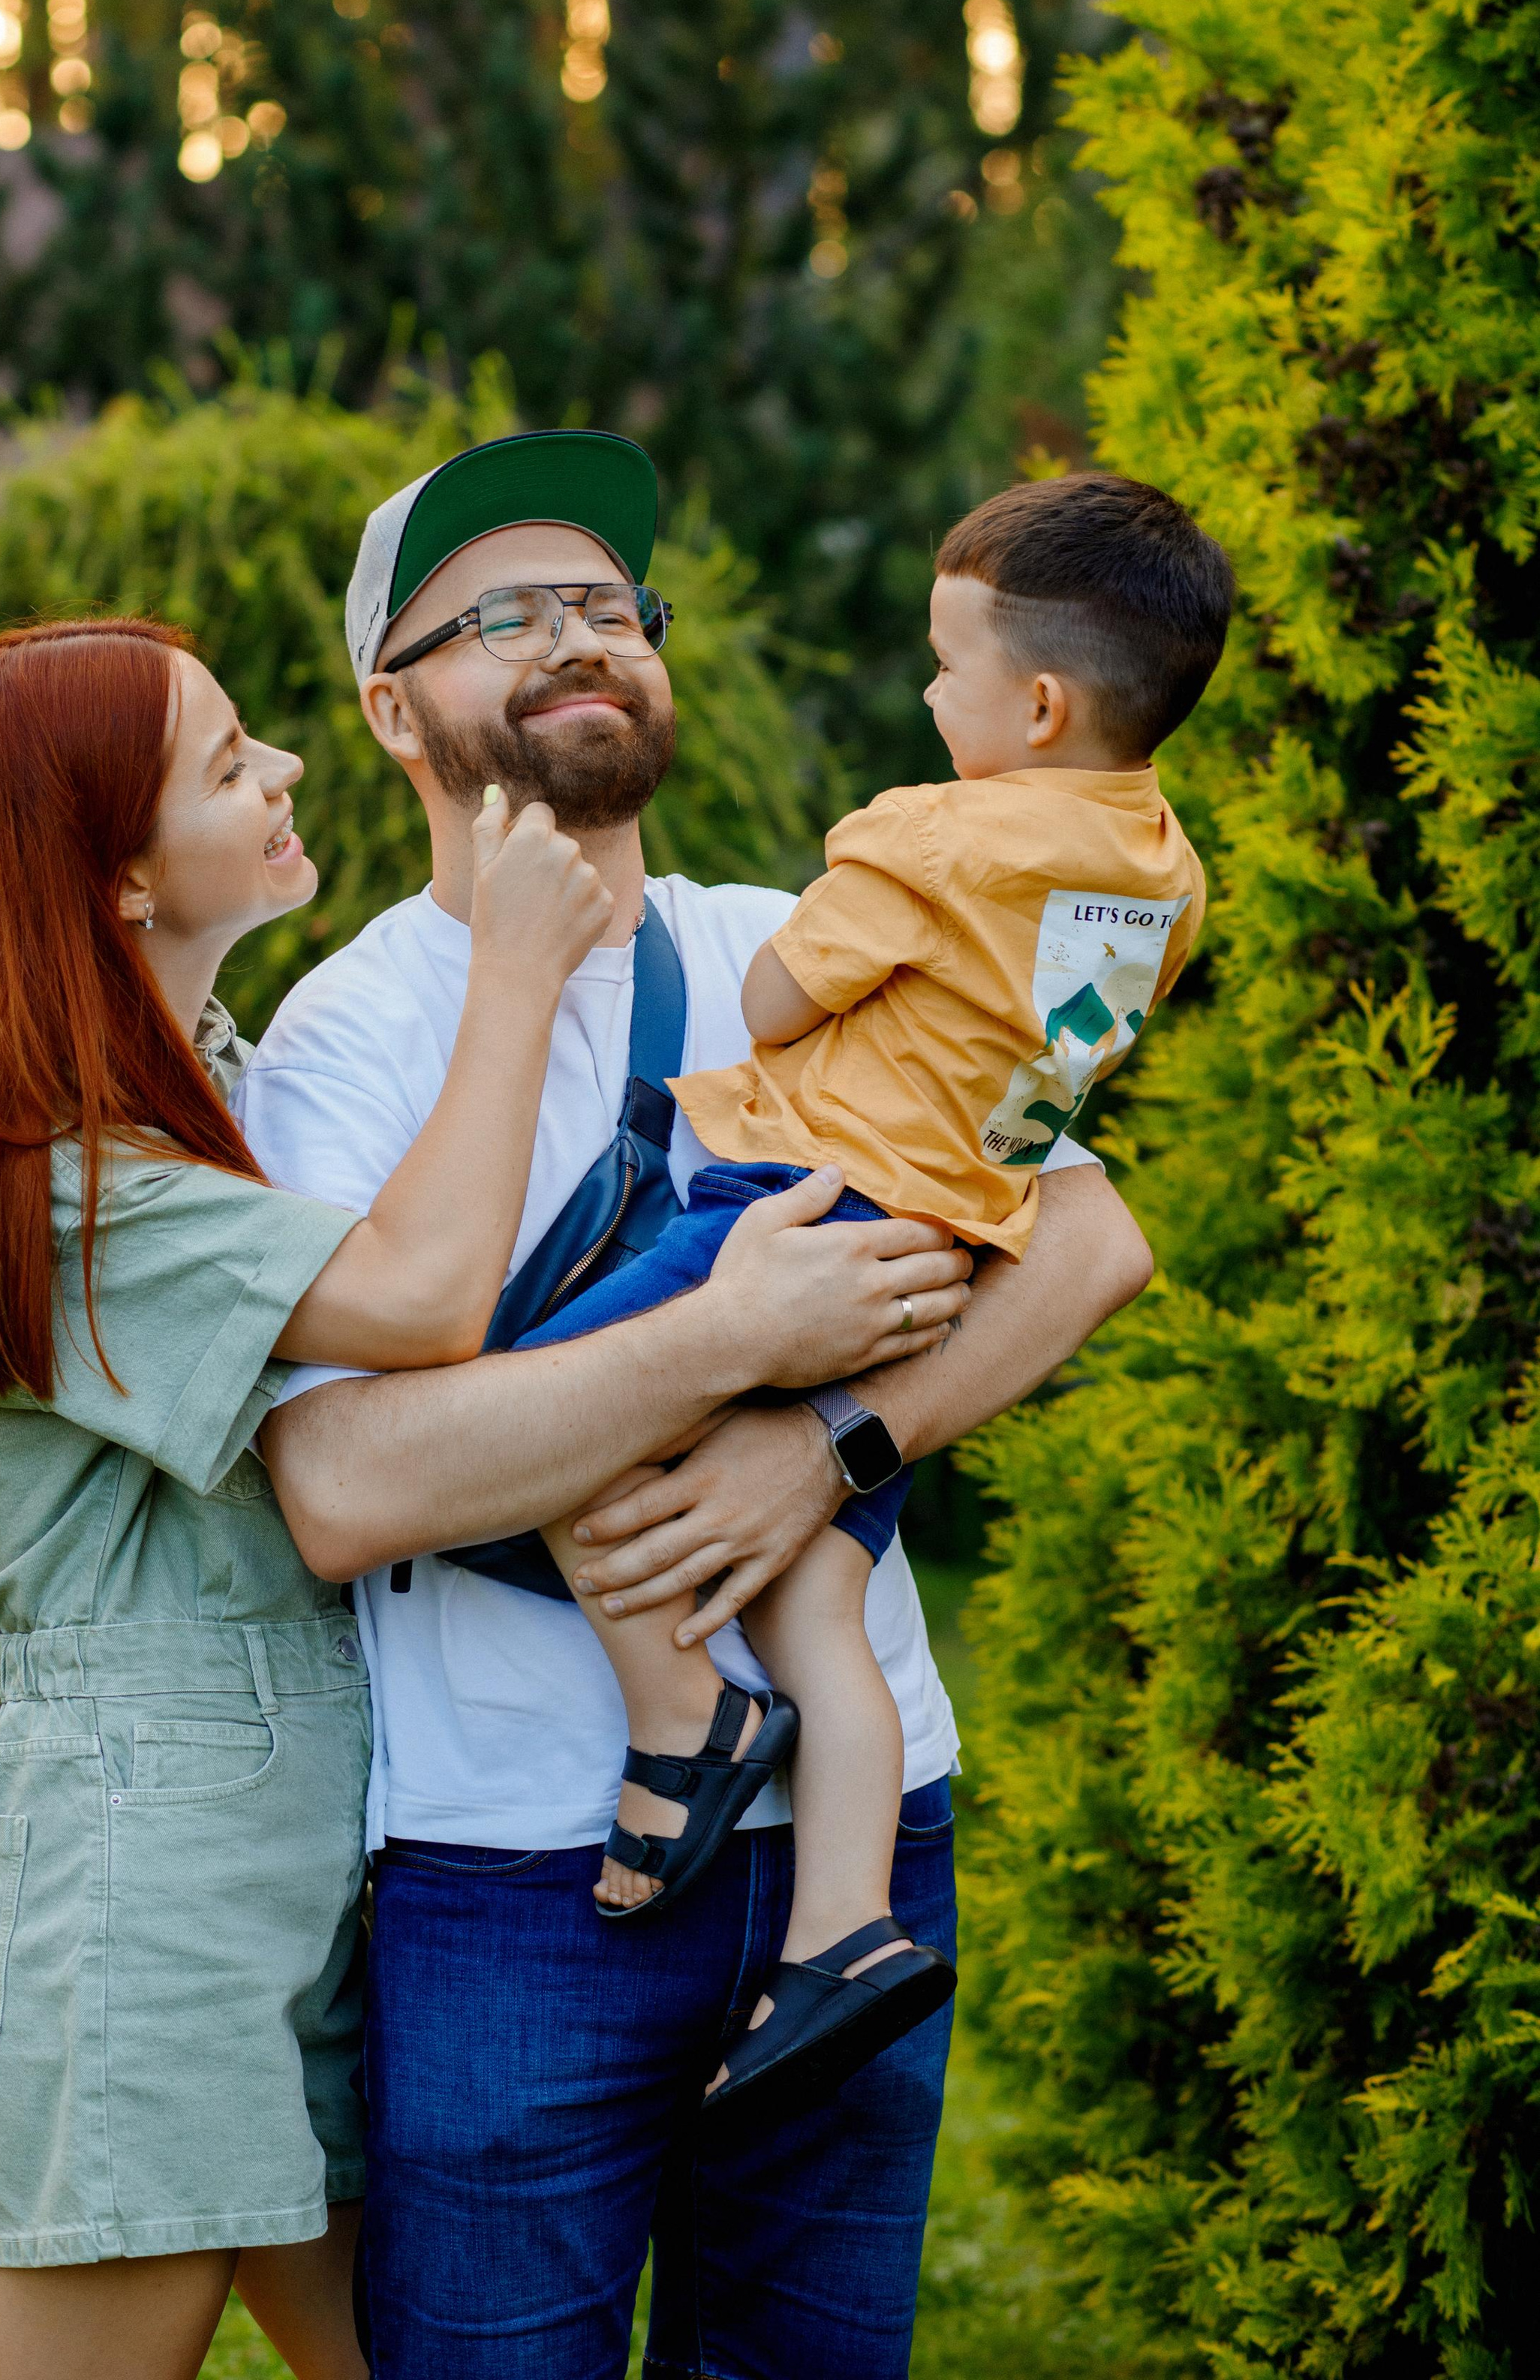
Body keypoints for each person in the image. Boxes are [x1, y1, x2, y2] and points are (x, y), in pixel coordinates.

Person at [0, 615, 938, 2380]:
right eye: (228, 760)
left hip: (295, 1838)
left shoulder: (201, 1093)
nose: (285, 771)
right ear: (115, 875)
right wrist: (507, 981)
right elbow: (419, 1307)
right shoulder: (55, 1172)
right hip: (141, 1866)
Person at [239, 429, 1160, 2380]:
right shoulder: (348, 1042)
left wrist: (826, 1448)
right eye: (511, 614)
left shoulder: (793, 945)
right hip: (520, 1867)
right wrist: (729, 1339)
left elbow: (1081, 1241)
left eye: (608, 608)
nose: (584, 637)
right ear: (394, 709)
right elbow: (336, 1488)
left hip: (869, 1833)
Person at [507, 472, 1230, 2123]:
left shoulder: (932, 830)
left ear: (1033, 704)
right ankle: (840, 1928)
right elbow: (1046, 1086)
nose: (925, 694)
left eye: (942, 664)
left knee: (533, 1415)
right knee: (817, 1605)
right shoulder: (1163, 873)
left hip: (800, 1204)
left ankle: (679, 1719)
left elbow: (765, 999)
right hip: (954, 1244)